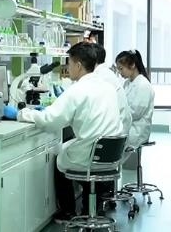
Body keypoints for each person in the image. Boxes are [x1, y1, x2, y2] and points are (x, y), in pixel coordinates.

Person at [17, 42, 128, 221]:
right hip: (111, 155)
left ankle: (68, 211)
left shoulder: (77, 90)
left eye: (69, 63)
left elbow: (50, 120)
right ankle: (90, 209)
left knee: (59, 158)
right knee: (71, 149)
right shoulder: (107, 87)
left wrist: (23, 114)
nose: (67, 68)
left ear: (78, 65)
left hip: (89, 155)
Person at [114, 49, 155, 149]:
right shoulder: (127, 83)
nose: (120, 72)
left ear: (132, 65)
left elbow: (135, 113)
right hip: (127, 125)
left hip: (136, 131)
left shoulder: (143, 85)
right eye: (118, 69)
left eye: (121, 69)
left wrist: (116, 115)